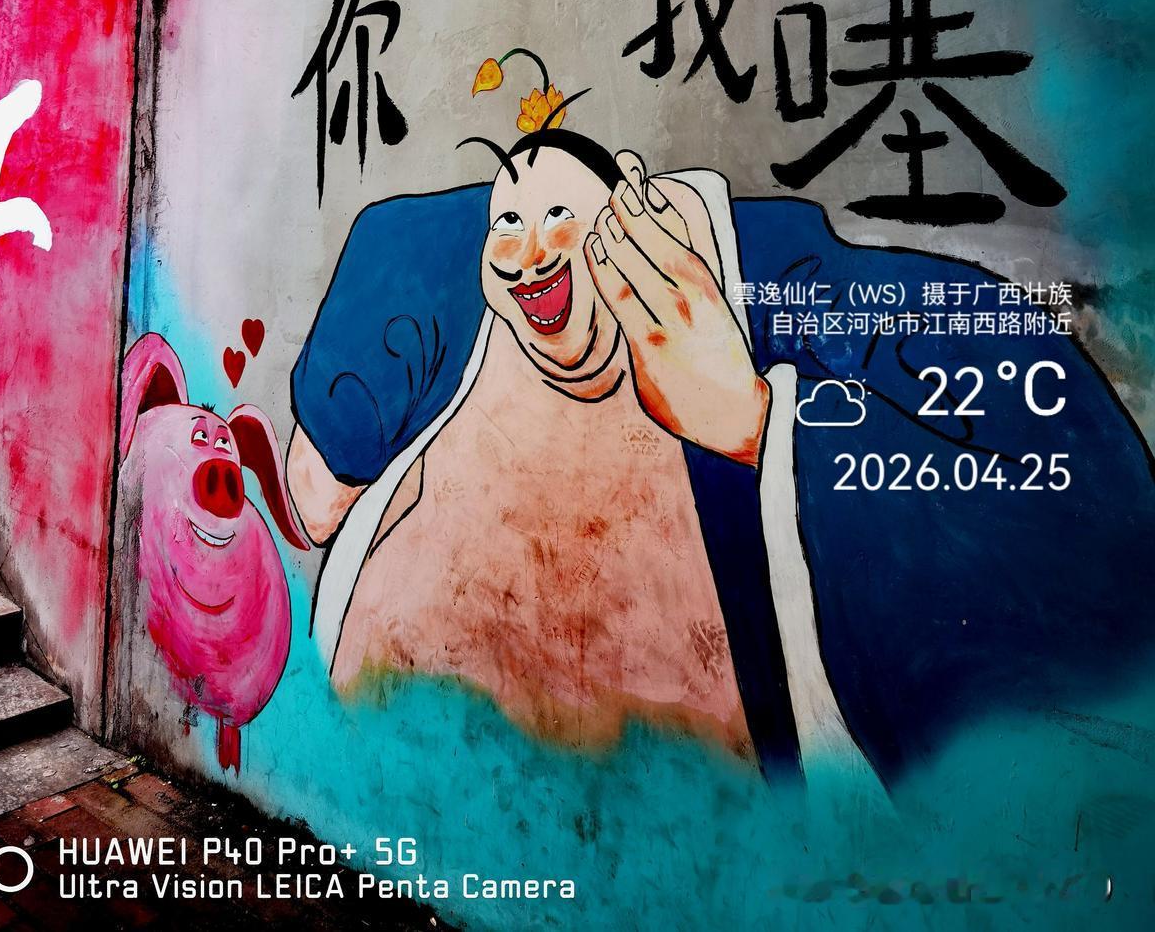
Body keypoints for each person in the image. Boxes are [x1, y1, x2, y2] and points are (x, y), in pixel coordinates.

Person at [287, 75, 1155, 785]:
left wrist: (754, 419)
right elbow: (314, 500)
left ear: (630, 200)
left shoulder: (781, 287)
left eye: (560, 218)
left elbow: (1096, 530)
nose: (529, 250)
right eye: (505, 224)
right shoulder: (436, 290)